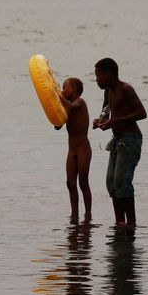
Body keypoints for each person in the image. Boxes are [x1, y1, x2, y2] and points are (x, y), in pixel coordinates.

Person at [92, 57, 147, 225]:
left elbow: (141, 113)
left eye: (98, 76)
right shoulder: (108, 91)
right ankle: (119, 222)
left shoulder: (125, 89)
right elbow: (106, 111)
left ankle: (131, 223)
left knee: (122, 181)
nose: (96, 80)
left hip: (130, 140)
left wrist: (116, 121)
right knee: (112, 183)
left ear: (109, 74)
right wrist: (100, 121)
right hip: (118, 140)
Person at [57, 77, 92, 220]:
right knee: (70, 183)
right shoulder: (66, 107)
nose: (63, 90)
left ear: (75, 89)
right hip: (72, 149)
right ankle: (74, 215)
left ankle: (88, 214)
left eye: (65, 87)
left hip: (83, 148)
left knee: (83, 182)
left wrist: (56, 95)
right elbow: (57, 126)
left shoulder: (80, 103)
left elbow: (71, 107)